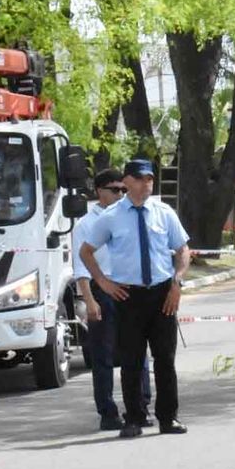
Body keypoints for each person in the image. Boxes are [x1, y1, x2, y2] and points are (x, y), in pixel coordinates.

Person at [79, 158, 192, 439]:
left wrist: (177, 283)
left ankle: (169, 417)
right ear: (127, 181)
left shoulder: (163, 213)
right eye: (140, 179)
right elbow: (86, 252)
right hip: (128, 296)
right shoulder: (111, 216)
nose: (146, 184)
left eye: (150, 179)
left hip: (162, 293)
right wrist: (103, 283)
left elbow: (183, 250)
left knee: (165, 359)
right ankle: (134, 418)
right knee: (131, 360)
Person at [73, 168, 152, 431]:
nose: (120, 194)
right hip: (102, 290)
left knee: (139, 351)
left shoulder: (128, 216)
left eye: (123, 189)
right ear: (99, 192)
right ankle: (107, 412)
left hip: (131, 289)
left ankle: (141, 406)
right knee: (104, 356)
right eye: (114, 190)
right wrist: (90, 301)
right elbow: (81, 266)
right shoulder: (86, 223)